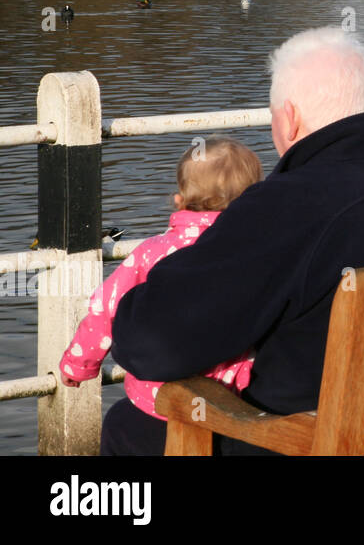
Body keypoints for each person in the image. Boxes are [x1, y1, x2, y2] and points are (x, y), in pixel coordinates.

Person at [112, 27, 364, 454]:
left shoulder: (286, 203)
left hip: (307, 443)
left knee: (128, 426)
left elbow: (151, 343)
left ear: (289, 117)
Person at [62, 137, 263, 455]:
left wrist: (79, 364)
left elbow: (106, 307)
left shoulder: (150, 254)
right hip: (232, 403)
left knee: (119, 431)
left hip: (156, 404)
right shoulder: (257, 255)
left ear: (179, 200)